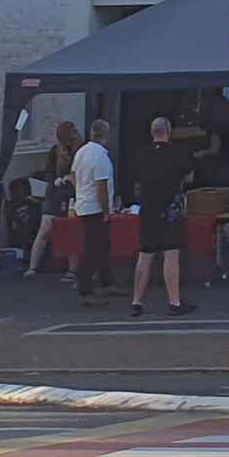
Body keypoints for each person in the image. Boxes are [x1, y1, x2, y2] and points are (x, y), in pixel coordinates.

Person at [130, 115, 198, 318]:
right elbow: (189, 177)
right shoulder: (178, 154)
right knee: (171, 255)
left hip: (148, 210)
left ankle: (136, 301)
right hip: (170, 210)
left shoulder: (142, 154)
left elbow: (137, 180)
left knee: (145, 255)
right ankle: (174, 301)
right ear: (169, 132)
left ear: (152, 132)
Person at [23, 121, 79, 278]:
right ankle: (33, 267)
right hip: (55, 192)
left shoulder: (79, 151)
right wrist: (55, 179)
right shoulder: (55, 151)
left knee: (72, 231)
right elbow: (49, 171)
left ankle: (72, 270)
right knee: (45, 229)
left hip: (72, 193)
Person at [70, 118, 117, 304]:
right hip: (95, 208)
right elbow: (101, 187)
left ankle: (107, 282)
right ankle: (85, 290)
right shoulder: (100, 157)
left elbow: (73, 174)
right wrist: (106, 211)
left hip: (84, 204)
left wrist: (80, 191)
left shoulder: (82, 152)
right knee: (92, 249)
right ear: (106, 135)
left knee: (103, 246)